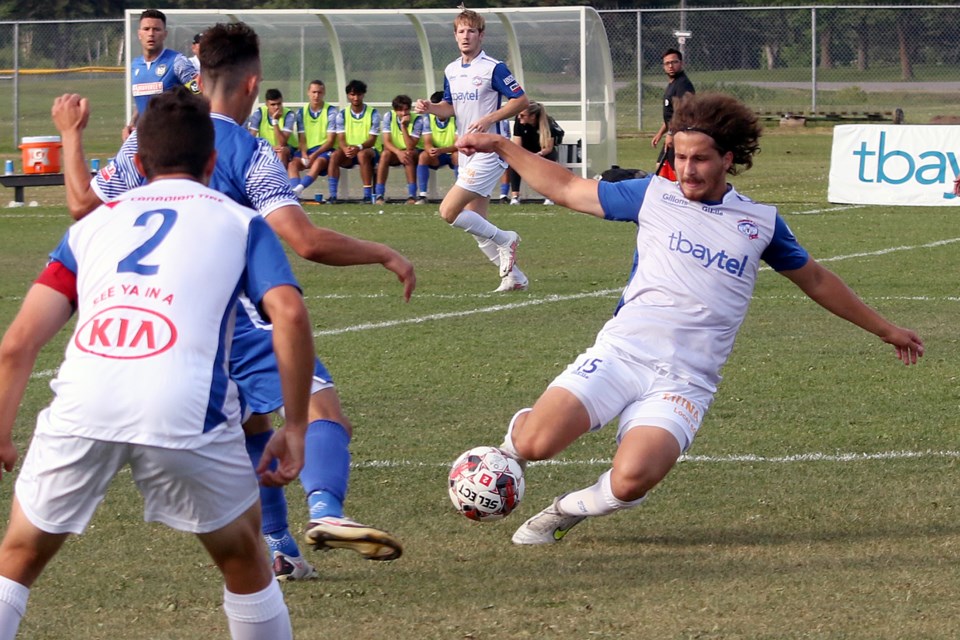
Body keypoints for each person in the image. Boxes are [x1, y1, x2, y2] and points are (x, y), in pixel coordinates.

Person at [456, 92, 924, 546]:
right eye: (679, 157)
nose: (686, 169)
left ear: (729, 158)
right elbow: (565, 188)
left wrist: (886, 329)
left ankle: (564, 511)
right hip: (622, 354)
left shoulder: (760, 222)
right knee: (537, 445)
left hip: (685, 381)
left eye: (699, 159)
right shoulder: (653, 196)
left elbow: (816, 279)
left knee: (631, 480)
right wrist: (501, 144)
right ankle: (513, 446)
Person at [52, 23, 414, 580]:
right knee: (322, 411)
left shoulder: (150, 135)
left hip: (169, 325)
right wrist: (383, 251)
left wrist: (72, 136)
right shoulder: (250, 151)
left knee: (252, 425)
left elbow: (82, 205)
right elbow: (306, 240)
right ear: (252, 85)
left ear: (200, 76)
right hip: (239, 319)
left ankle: (281, 549)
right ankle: (328, 512)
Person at [0, 88, 312, 639]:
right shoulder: (241, 222)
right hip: (184, 405)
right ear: (212, 162)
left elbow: (18, 343)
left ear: (137, 164)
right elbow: (287, 312)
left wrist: (2, 431)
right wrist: (295, 424)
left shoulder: (91, 226)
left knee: (19, 555)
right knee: (244, 561)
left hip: (85, 398)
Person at [415, 8, 530, 293]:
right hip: (466, 151)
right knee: (476, 222)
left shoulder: (493, 67)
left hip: (491, 150)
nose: (465, 36)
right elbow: (450, 108)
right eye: (461, 31)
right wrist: (431, 108)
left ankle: (507, 239)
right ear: (455, 37)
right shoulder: (452, 70)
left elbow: (521, 100)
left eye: (471, 31)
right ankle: (514, 277)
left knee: (448, 211)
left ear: (481, 35)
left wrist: (490, 118)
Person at [124, 9, 200, 139]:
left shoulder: (178, 62)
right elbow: (143, 100)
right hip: (146, 137)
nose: (151, 34)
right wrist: (131, 124)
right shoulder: (135, 66)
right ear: (139, 34)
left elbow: (199, 93)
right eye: (146, 29)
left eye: (156, 29)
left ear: (165, 34)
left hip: (174, 138)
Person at [327, 79, 380, 204]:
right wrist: (345, 148)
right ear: (348, 96)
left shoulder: (373, 113)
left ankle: (367, 196)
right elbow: (341, 138)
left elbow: (372, 140)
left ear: (363, 95)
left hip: (369, 151)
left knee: (362, 155)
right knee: (335, 155)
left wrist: (359, 147)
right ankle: (333, 196)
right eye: (352, 94)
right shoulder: (342, 115)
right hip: (350, 151)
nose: (355, 98)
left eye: (358, 94)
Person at [650, 48, 695, 181]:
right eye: (667, 63)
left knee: (675, 170)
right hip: (673, 132)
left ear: (681, 63)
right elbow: (670, 114)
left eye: (674, 62)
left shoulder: (683, 85)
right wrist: (660, 133)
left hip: (681, 134)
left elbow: (682, 113)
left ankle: (684, 197)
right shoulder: (672, 84)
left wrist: (670, 134)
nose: (670, 66)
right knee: (661, 167)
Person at [507, 101, 563, 206]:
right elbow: (517, 145)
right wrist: (524, 156)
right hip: (525, 151)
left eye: (523, 115)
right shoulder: (519, 122)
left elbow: (548, 148)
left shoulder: (548, 123)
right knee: (514, 162)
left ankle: (549, 196)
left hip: (543, 152)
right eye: (519, 114)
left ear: (532, 116)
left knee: (550, 159)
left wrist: (538, 155)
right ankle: (515, 197)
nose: (519, 117)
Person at [290, 80, 338, 199]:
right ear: (308, 93)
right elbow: (302, 137)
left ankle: (299, 189)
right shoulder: (302, 112)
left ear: (324, 93)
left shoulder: (331, 111)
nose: (316, 95)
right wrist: (304, 153)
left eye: (319, 92)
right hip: (308, 151)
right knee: (292, 164)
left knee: (318, 162)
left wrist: (315, 154)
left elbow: (331, 140)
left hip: (324, 150)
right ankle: (295, 194)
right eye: (314, 92)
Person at [375, 94, 423, 204]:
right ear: (395, 110)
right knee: (385, 154)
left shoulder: (418, 120)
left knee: (409, 153)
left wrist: (403, 127)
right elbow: (386, 142)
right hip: (395, 151)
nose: (403, 113)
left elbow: (411, 145)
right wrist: (398, 152)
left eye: (406, 110)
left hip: (414, 151)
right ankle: (379, 195)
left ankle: (412, 196)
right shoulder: (388, 116)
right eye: (400, 110)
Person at [415, 91, 459, 205]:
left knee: (458, 156)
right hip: (438, 154)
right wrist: (431, 150)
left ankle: (460, 194)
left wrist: (441, 150)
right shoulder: (428, 118)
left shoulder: (457, 118)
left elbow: (457, 144)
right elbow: (427, 142)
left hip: (452, 152)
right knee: (423, 156)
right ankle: (422, 196)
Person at [247, 88, 297, 166]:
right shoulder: (259, 113)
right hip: (266, 147)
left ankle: (280, 177)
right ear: (267, 104)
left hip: (287, 147)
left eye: (279, 104)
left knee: (280, 152)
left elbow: (282, 143)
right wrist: (269, 147)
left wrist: (275, 121)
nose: (277, 107)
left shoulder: (289, 114)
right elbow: (250, 138)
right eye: (273, 104)